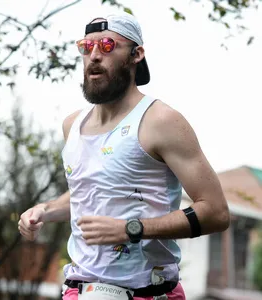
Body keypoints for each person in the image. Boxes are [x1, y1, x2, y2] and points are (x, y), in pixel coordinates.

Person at [18, 12, 230, 300]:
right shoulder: (72, 125)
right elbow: (92, 190)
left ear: (136, 54)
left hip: (149, 291)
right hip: (77, 291)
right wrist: (44, 210)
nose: (94, 55)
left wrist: (132, 229)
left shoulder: (161, 121)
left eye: (107, 45)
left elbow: (216, 212)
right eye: (86, 46)